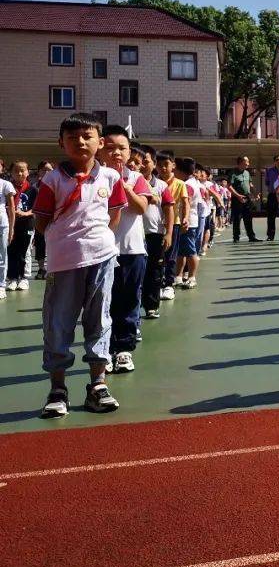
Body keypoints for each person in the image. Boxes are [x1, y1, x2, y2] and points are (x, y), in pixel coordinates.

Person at [33, 113, 127, 418]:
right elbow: (41, 221)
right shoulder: (52, 179)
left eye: (87, 136)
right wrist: (65, 241)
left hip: (102, 258)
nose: (80, 142)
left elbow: (114, 216)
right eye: (72, 138)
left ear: (100, 143)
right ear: (62, 143)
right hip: (63, 263)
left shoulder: (111, 178)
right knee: (58, 324)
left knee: (100, 320)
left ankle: (97, 385)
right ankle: (57, 389)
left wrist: (97, 240)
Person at [99, 125, 151, 373]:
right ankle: (104, 350)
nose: (116, 153)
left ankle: (123, 350)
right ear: (100, 148)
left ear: (130, 153)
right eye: (110, 148)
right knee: (102, 304)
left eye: (122, 148)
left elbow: (141, 208)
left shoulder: (136, 178)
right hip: (100, 251)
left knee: (129, 301)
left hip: (131, 250)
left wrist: (125, 186)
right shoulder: (93, 177)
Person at [138, 146, 174, 320]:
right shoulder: (127, 182)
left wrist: (168, 233)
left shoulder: (161, 185)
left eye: (146, 161)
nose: (143, 165)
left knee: (154, 272)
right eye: (139, 161)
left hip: (155, 234)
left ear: (153, 164)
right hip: (134, 235)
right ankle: (133, 308)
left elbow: (169, 210)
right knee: (135, 273)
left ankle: (151, 306)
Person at [155, 151, 187, 301]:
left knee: (171, 255)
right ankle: (158, 284)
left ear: (173, 165)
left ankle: (169, 284)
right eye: (159, 165)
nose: (163, 168)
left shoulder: (180, 184)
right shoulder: (153, 182)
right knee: (157, 255)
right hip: (155, 224)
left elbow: (185, 203)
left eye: (166, 164)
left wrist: (186, 218)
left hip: (174, 224)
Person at [5, 161, 35, 291]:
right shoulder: (7, 188)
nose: (20, 173)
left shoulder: (33, 189)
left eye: (22, 170)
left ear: (28, 172)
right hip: (10, 223)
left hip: (26, 223)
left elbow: (37, 208)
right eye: (16, 171)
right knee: (11, 251)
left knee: (24, 251)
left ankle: (24, 278)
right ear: (11, 173)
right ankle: (12, 278)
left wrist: (25, 213)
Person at [174, 157, 203, 289]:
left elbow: (186, 202)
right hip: (186, 221)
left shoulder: (188, 185)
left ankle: (192, 277)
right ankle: (178, 276)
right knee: (181, 251)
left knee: (191, 251)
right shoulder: (191, 182)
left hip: (188, 222)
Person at [227, 156, 260, 243]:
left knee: (248, 218)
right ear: (241, 162)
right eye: (247, 162)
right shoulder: (233, 173)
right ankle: (236, 237)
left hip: (247, 198)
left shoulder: (247, 173)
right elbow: (229, 186)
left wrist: (255, 193)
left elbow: (250, 184)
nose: (248, 164)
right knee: (237, 218)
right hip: (236, 198)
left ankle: (251, 237)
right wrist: (238, 196)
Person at [264, 155, 279, 242]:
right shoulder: (269, 171)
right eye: (277, 160)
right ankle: (270, 235)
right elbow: (267, 182)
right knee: (271, 217)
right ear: (274, 161)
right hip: (272, 195)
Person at [0, 170, 13, 300]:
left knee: (2, 255)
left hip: (2, 224)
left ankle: (1, 285)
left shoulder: (6, 184)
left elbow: (12, 207)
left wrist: (11, 227)